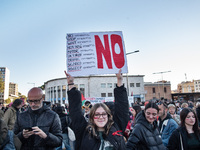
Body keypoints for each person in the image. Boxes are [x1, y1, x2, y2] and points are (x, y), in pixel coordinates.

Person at [65, 69, 129, 150]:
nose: (101, 117)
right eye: (97, 114)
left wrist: (119, 81)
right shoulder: (84, 131)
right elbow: (75, 112)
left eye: (103, 114)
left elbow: (122, 108)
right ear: (92, 117)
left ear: (108, 115)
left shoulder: (116, 128)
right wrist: (71, 83)